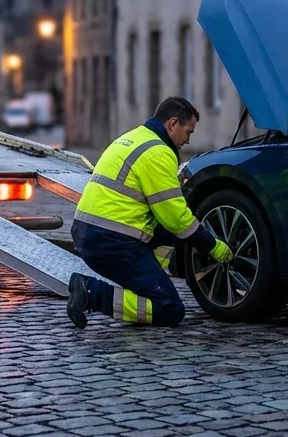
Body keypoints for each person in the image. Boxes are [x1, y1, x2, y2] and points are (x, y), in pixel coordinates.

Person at [65, 96, 233, 328]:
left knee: (168, 233)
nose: (187, 140)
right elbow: (177, 219)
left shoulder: (132, 138)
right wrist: (213, 246)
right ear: (172, 123)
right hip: (112, 241)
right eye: (188, 132)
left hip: (89, 233)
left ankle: (144, 281)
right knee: (170, 309)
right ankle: (91, 293)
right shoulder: (158, 153)